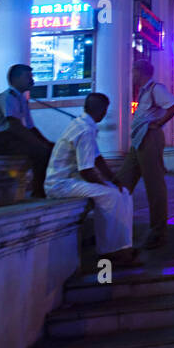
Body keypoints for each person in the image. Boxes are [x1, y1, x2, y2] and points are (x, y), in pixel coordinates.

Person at [44, 93, 139, 266]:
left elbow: (97, 159)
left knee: (124, 193)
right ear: (101, 111)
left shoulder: (84, 125)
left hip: (72, 180)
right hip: (61, 183)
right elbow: (87, 169)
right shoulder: (85, 130)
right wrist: (106, 185)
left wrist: (113, 180)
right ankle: (109, 251)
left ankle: (124, 246)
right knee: (111, 196)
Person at [116, 59, 174, 250]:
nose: (132, 75)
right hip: (139, 141)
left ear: (140, 71)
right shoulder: (144, 91)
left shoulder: (155, 89)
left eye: (133, 71)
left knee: (154, 185)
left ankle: (158, 232)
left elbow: (173, 105)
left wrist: (158, 123)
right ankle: (112, 228)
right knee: (122, 183)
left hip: (149, 138)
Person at [0, 64, 53, 198]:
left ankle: (43, 188)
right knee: (41, 152)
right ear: (16, 79)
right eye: (28, 77)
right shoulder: (8, 97)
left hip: (11, 138)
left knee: (50, 149)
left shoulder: (21, 99)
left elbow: (31, 127)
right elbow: (14, 125)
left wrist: (47, 142)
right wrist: (38, 144)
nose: (32, 80)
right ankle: (38, 191)